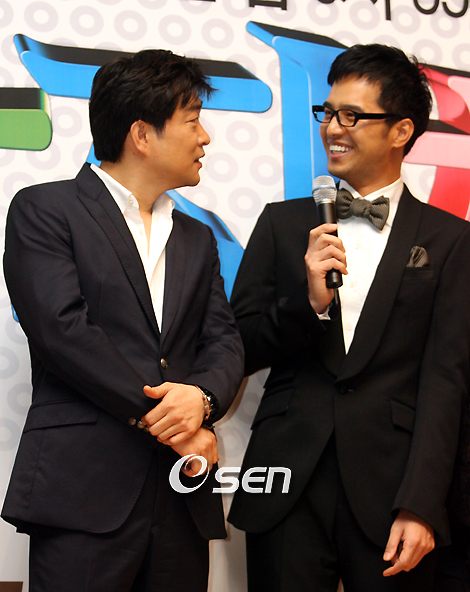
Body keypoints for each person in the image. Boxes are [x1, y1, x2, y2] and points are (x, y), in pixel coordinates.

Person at [228, 43, 470, 592]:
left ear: (401, 130)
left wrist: (422, 504)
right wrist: (308, 304)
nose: (333, 128)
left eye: (352, 116)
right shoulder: (282, 224)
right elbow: (238, 345)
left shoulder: (451, 240)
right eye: (328, 112)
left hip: (393, 489)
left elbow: (447, 382)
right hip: (287, 482)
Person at [2, 49, 244, 592]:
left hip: (182, 494)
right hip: (84, 491)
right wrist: (173, 422)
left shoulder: (197, 238)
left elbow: (223, 340)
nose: (205, 137)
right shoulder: (45, 210)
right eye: (192, 121)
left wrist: (202, 400)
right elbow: (63, 331)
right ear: (142, 134)